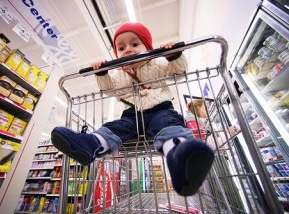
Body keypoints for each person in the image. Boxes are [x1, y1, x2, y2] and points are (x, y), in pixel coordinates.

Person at [51, 22, 214, 196]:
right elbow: (110, 89)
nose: (127, 50)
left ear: (148, 47)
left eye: (135, 44)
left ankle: (182, 159)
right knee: (115, 127)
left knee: (168, 123)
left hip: (160, 109)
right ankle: (90, 144)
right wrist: (102, 73)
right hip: (132, 115)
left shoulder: (156, 63)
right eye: (121, 48)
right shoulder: (120, 74)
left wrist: (173, 55)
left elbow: (178, 72)